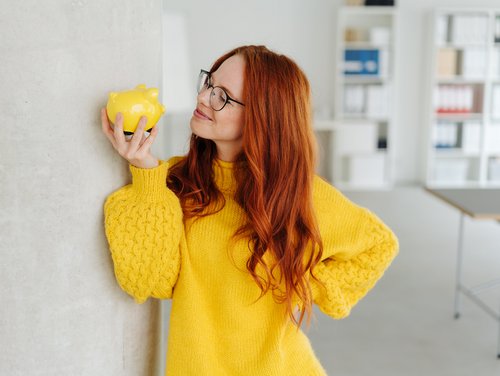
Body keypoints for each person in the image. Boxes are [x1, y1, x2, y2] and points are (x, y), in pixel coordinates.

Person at [101, 45, 399, 375]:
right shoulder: (173, 183)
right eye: (208, 84)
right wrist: (144, 171)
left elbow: (378, 245)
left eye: (223, 97)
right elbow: (148, 282)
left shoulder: (298, 194)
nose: (203, 98)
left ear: (262, 116)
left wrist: (299, 278)